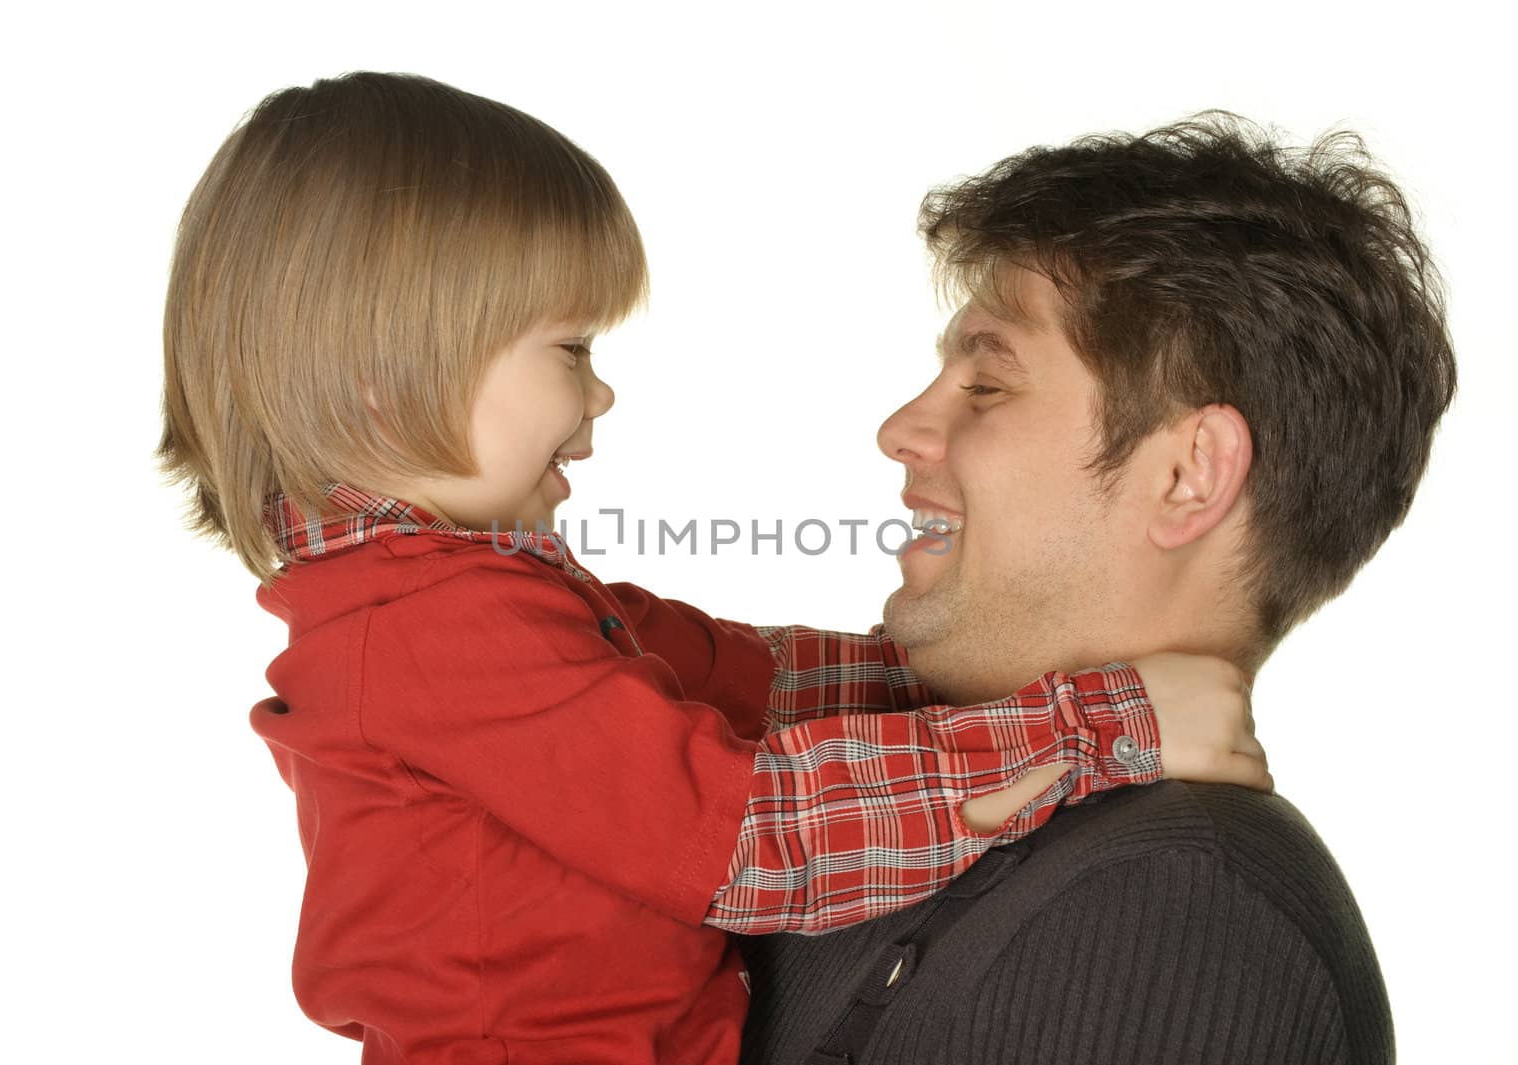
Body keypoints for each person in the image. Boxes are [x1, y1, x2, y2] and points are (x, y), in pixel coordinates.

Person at [156, 73, 1269, 1064]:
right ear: (384, 373)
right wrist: (1095, 722)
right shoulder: (434, 633)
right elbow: (754, 836)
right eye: (570, 350)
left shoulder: (473, 598)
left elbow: (750, 681)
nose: (598, 397)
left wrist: (1007, 673)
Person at [738, 113, 1456, 1064]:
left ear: (1188, 473)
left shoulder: (1190, 916)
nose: (900, 429)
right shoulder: (870, 812)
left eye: (987, 385)